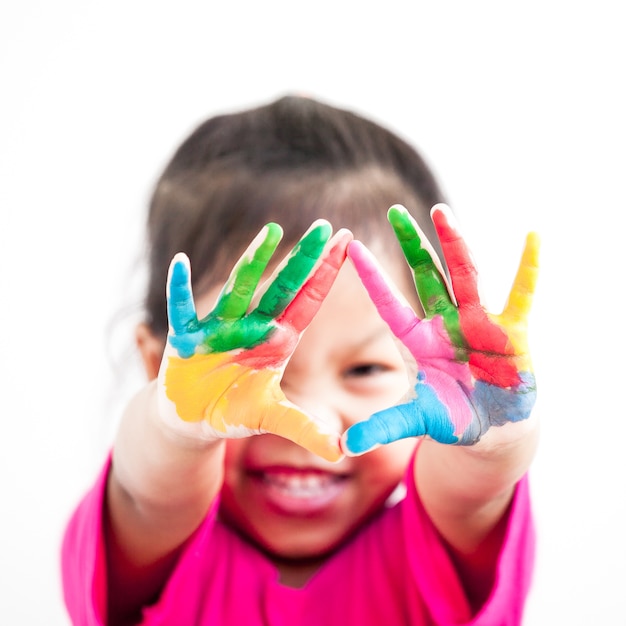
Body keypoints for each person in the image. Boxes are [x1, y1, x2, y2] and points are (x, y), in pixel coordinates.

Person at [61, 95, 540, 625]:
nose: (309, 417)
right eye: (258, 370)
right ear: (159, 370)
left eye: (364, 370)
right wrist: (171, 427)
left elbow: (471, 494)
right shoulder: (156, 545)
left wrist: (496, 442)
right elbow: (148, 489)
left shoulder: (434, 554)